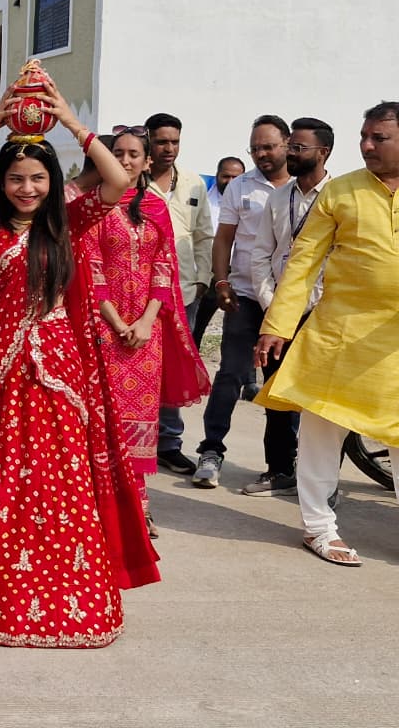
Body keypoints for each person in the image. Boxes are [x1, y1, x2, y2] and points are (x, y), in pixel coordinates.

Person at [0, 80, 158, 649]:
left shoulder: (69, 220)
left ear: (52, 182)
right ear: (2, 183)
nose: (26, 188)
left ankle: (66, 589)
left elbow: (119, 179)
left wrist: (71, 123)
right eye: (15, 178)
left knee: (58, 477)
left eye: (37, 178)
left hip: (56, 368)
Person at [255, 102, 399, 565]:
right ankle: (319, 528)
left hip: (392, 343)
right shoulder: (341, 192)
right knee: (321, 430)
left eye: (380, 137)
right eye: (365, 136)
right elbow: (302, 262)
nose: (367, 145)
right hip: (337, 332)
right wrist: (277, 325)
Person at [90, 128, 210, 536]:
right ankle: (100, 507)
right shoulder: (94, 206)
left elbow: (164, 269)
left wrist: (145, 320)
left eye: (133, 154)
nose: (125, 160)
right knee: (102, 418)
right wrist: (118, 322)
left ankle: (139, 507)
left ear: (145, 161)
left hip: (146, 332)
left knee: (140, 418)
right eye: (117, 153)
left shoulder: (156, 208)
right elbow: (91, 271)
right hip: (103, 329)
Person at [193, 115, 292, 488]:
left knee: (280, 385)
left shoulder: (304, 186)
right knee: (231, 375)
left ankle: (281, 465)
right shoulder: (241, 187)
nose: (261, 154)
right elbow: (224, 238)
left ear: (286, 143)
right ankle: (211, 451)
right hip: (245, 297)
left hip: (288, 303)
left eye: (268, 146)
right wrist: (222, 281)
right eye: (255, 148)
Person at [242, 118, 333, 496]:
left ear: (323, 153)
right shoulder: (280, 197)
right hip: (279, 312)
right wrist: (274, 304)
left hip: (324, 313)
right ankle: (279, 470)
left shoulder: (338, 195)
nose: (290, 153)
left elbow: (335, 261)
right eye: (290, 146)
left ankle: (324, 485)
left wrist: (307, 304)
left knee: (321, 404)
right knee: (276, 394)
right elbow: (262, 254)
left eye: (299, 148)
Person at [143, 113, 213, 477]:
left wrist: (203, 279)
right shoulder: (132, 181)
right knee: (139, 365)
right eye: (162, 142)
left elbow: (204, 235)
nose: (168, 149)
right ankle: (133, 440)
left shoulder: (194, 183)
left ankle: (169, 443)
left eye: (175, 142)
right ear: (149, 141)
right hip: (140, 293)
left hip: (183, 290)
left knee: (174, 365)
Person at [193, 156, 247, 347]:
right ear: (217, 175)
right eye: (226, 176)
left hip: (238, 273)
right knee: (195, 326)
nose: (230, 182)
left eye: (236, 177)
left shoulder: (248, 199)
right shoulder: (203, 195)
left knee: (238, 330)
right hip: (207, 272)